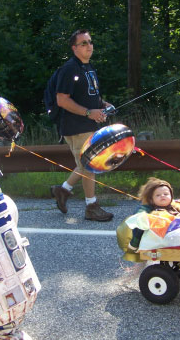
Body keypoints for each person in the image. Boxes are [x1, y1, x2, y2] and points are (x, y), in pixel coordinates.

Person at [50, 29, 114, 222]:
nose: (89, 46)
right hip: (76, 126)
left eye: (90, 42)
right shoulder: (70, 69)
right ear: (74, 48)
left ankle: (63, 190)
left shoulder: (89, 68)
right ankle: (91, 207)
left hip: (88, 124)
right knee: (88, 166)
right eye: (83, 43)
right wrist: (89, 112)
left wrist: (103, 105)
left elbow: (87, 95)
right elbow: (62, 100)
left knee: (85, 164)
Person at [128, 177, 180, 251]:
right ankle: (135, 244)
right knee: (140, 223)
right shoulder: (147, 208)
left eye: (166, 194)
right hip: (154, 238)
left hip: (175, 236)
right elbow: (139, 215)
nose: (162, 196)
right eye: (158, 195)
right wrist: (145, 217)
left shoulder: (175, 208)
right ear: (151, 199)